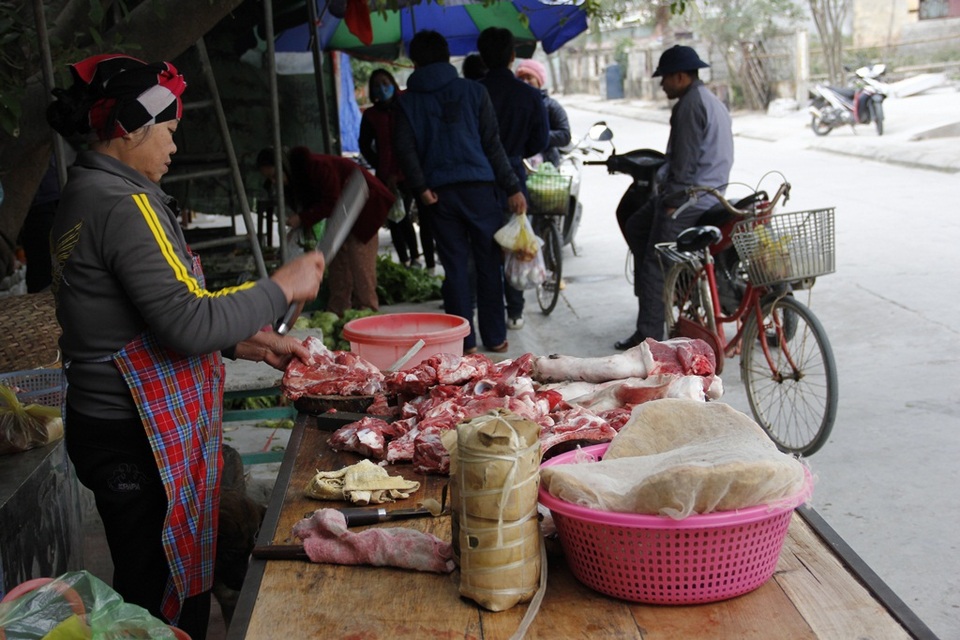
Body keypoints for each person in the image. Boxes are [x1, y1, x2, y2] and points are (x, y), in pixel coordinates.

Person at [45, 54, 326, 639]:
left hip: (112, 427)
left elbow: (145, 315)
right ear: (131, 126)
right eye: (169, 131)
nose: (174, 146)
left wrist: (251, 342)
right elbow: (185, 323)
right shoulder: (126, 205)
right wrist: (279, 287)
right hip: (134, 435)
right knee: (162, 596)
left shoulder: (88, 193)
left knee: (155, 578)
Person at [394, 30, 524, 354]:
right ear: (446, 54)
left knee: (454, 268)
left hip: (439, 195)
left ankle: (463, 342)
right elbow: (493, 146)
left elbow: (405, 150)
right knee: (487, 264)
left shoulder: (406, 102)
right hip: (480, 190)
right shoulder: (474, 92)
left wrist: (421, 188)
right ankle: (495, 337)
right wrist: (512, 187)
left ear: (415, 62)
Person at [615, 45, 734, 350]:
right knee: (638, 226)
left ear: (680, 77)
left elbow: (684, 164)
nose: (662, 84)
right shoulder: (709, 100)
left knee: (656, 261)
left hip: (690, 199)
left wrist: (671, 203)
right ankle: (663, 300)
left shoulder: (690, 105)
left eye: (665, 78)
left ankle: (649, 337)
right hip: (710, 194)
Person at [257, 146, 394, 317]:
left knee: (360, 263)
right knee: (337, 262)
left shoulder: (316, 167)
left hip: (365, 206)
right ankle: (338, 310)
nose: (274, 182)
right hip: (342, 213)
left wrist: (302, 218)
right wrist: (302, 224)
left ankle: (367, 313)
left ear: (284, 167)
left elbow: (331, 201)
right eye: (270, 179)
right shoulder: (299, 177)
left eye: (275, 176)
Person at [476, 27, 549, 332]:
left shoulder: (473, 92)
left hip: (479, 181)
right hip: (514, 181)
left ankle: (489, 318)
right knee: (515, 242)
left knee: (484, 249)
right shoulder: (530, 95)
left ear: (481, 56)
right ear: (512, 56)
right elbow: (539, 142)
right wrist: (516, 151)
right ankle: (515, 312)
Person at [358, 69, 436, 271]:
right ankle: (405, 261)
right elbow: (365, 145)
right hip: (387, 176)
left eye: (385, 83)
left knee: (425, 219)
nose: (382, 88)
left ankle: (427, 264)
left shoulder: (406, 104)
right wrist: (380, 164)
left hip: (415, 172)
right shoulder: (371, 116)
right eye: (377, 85)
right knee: (396, 218)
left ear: (393, 83)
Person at [515, 58, 572, 169]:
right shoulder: (513, 105)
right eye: (521, 78)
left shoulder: (552, 106)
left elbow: (565, 135)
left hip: (546, 167)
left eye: (529, 77)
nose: (525, 82)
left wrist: (538, 135)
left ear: (539, 81)